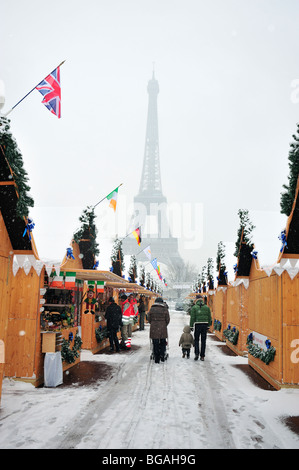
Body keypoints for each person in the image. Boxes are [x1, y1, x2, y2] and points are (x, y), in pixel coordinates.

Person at [147, 297, 170, 363]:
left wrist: (153, 323)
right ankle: (162, 356)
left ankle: (156, 358)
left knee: (155, 343)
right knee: (163, 342)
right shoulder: (165, 309)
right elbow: (168, 319)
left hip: (154, 327)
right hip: (163, 328)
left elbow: (149, 319)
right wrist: (164, 324)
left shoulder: (152, 309)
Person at [190, 295, 212, 361]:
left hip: (197, 325)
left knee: (196, 340)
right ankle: (202, 356)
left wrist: (191, 326)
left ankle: (196, 353)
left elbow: (192, 318)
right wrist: (208, 325)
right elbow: (209, 317)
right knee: (203, 341)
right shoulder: (207, 307)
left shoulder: (194, 307)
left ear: (196, 299)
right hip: (204, 325)